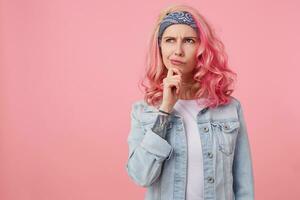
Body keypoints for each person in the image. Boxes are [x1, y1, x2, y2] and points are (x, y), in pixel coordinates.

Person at [125, 4, 254, 200]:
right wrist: (165, 110)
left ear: (202, 48)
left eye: (188, 40)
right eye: (169, 40)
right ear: (160, 47)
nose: (177, 50)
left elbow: (243, 185)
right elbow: (140, 176)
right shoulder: (143, 111)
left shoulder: (229, 108)